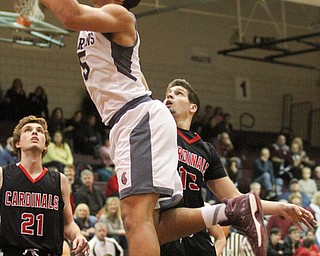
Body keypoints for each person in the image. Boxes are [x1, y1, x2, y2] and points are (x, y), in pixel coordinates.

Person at [38, 2, 316, 256]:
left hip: (135, 117)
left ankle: (233, 208)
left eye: (180, 94)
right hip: (131, 119)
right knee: (152, 225)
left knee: (136, 218)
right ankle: (231, 210)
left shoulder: (119, 15)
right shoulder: (97, 20)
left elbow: (68, 15)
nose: (172, 96)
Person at [161, 78, 317, 256]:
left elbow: (236, 198)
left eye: (178, 93)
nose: (170, 96)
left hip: (197, 237)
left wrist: (282, 207)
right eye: (167, 94)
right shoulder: (160, 131)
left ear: (193, 107)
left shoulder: (205, 149)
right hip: (167, 229)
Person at [0, 115, 88, 255]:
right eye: (28, 130)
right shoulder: (3, 175)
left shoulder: (60, 180)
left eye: (39, 131)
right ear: (17, 143)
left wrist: (78, 235)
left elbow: (68, 224)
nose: (34, 132)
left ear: (46, 145)